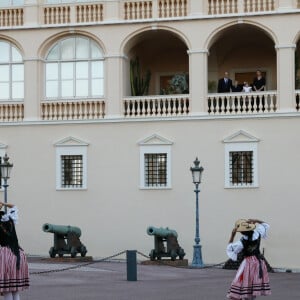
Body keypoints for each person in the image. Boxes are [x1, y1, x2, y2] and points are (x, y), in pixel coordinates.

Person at [226, 218, 271, 300]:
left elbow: (230, 248)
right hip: (258, 262)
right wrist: (256, 220)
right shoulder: (257, 233)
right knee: (252, 284)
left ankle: (242, 296)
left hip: (248, 263)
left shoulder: (242, 242)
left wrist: (232, 235)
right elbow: (265, 225)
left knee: (242, 281)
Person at [0, 202, 29, 300]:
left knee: (7, 289)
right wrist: (3, 203)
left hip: (6, 256)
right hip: (18, 254)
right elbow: (14, 206)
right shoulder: (11, 218)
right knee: (15, 290)